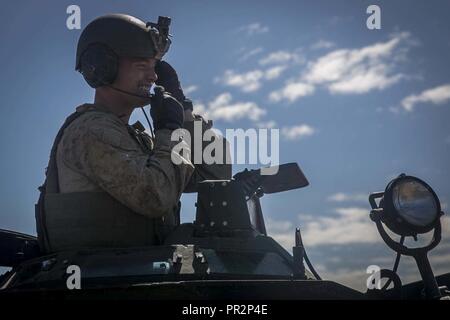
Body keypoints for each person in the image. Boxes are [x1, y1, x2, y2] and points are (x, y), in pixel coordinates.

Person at [35, 14, 231, 253]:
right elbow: (155, 195)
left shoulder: (138, 140)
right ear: (103, 68)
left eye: (153, 67)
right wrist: (169, 130)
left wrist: (184, 112)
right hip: (102, 283)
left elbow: (214, 172)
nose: (153, 77)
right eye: (141, 66)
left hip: (134, 276)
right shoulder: (91, 132)